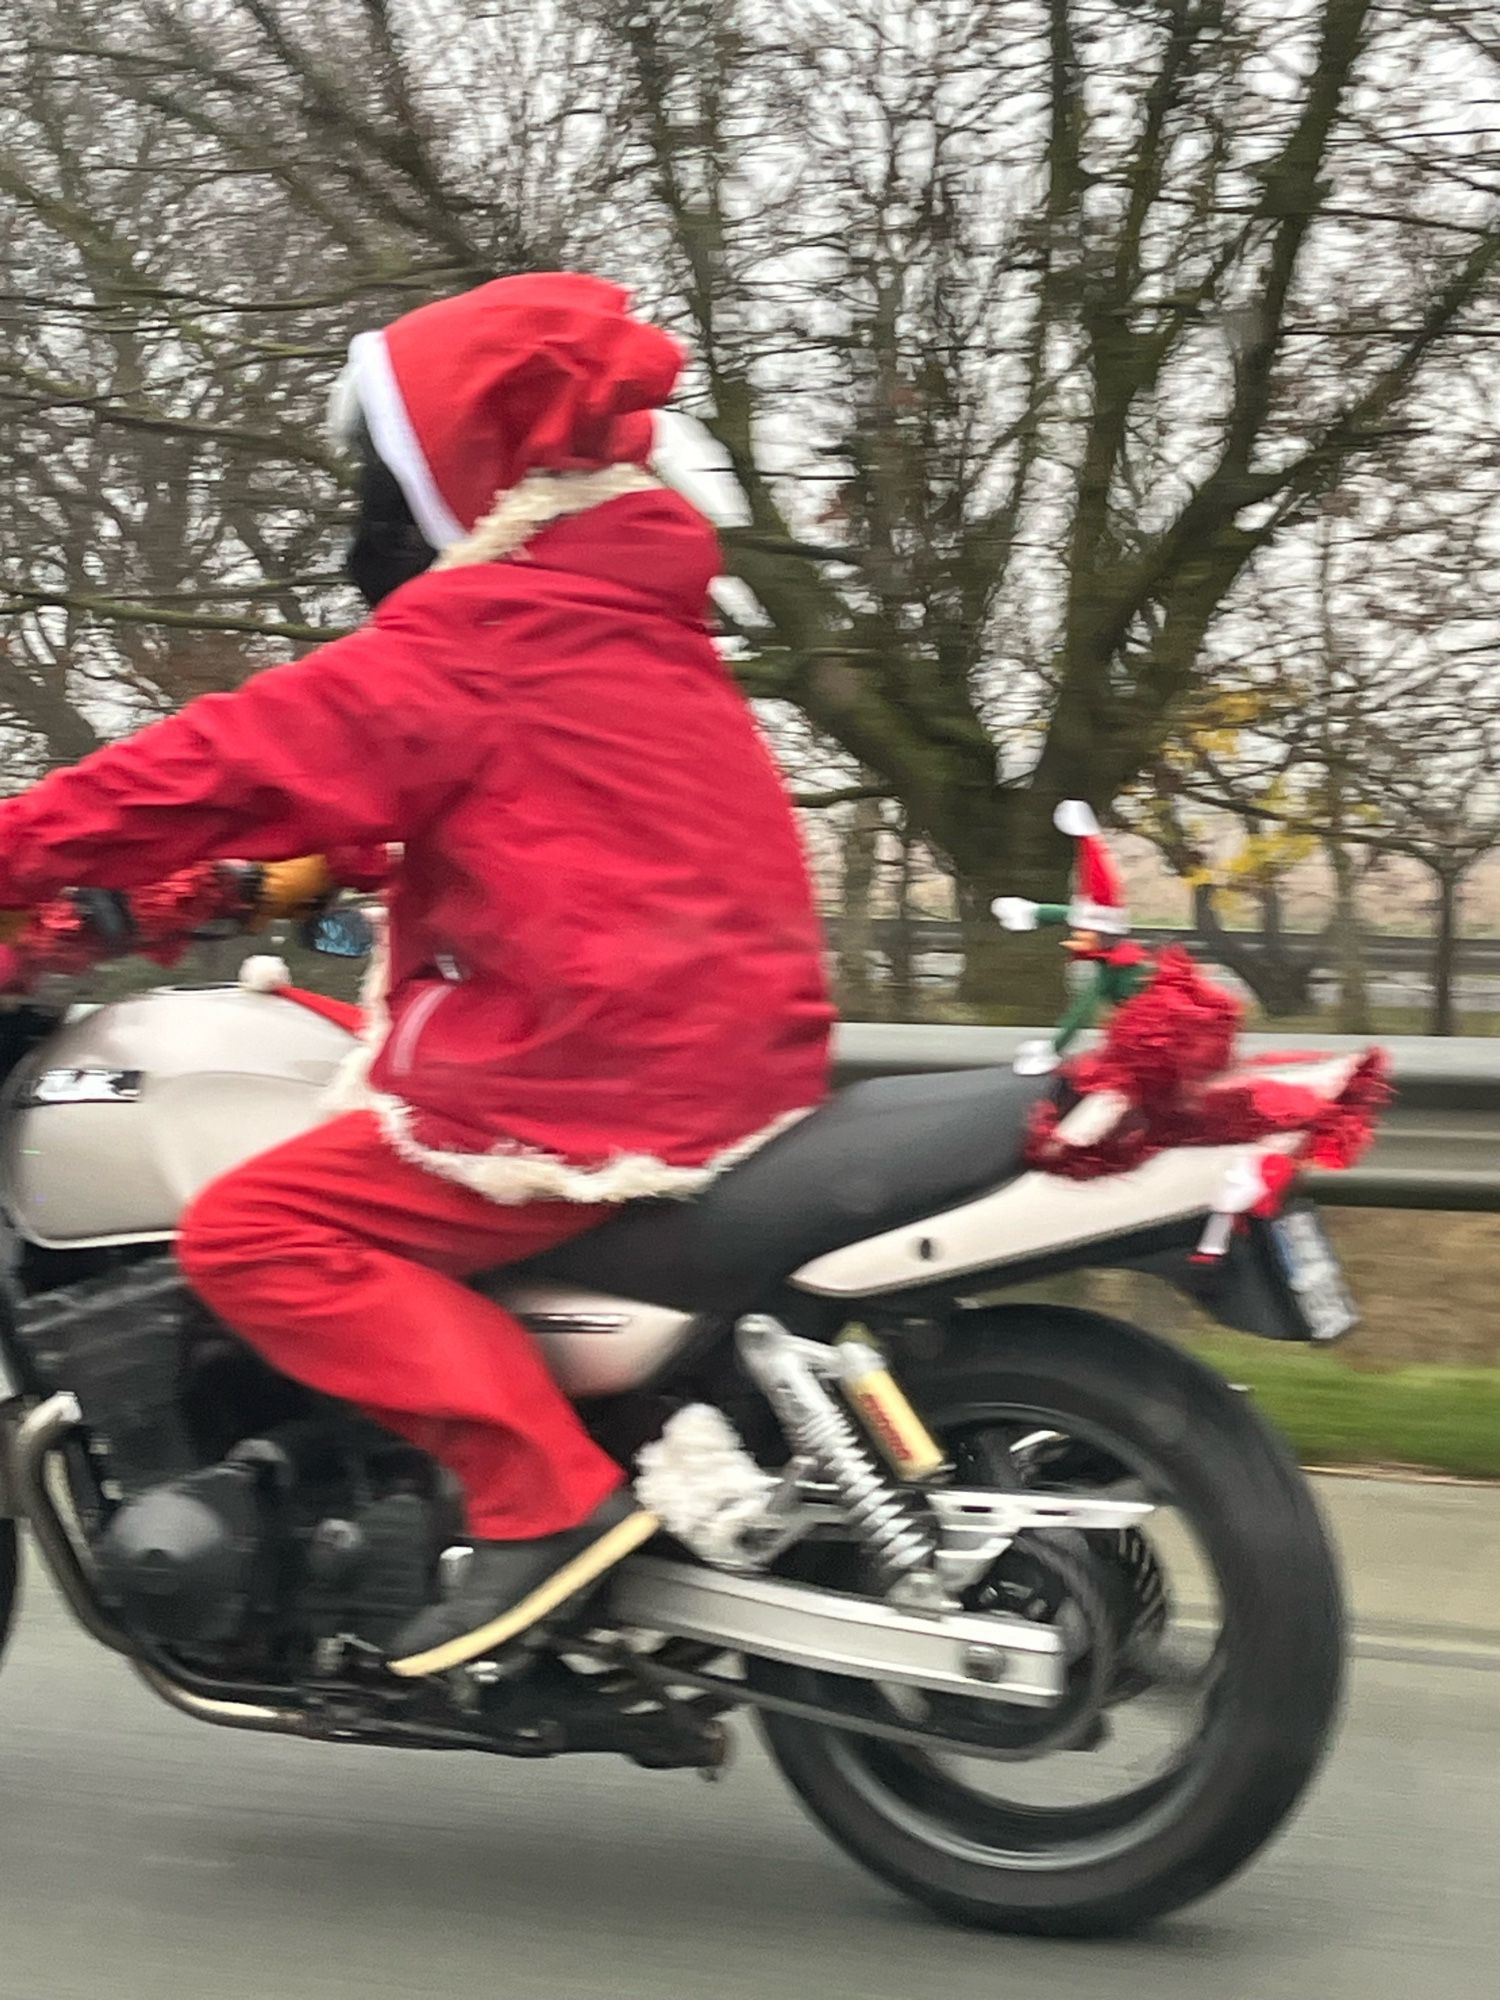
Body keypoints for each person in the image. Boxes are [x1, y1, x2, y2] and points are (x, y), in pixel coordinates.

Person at [0, 273, 833, 1676]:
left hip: (593, 1058)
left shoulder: (483, 638)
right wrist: (283, 876)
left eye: (384, 482)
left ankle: (538, 1497)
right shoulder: (620, 618)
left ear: (464, 467)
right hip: (715, 1033)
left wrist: (21, 844)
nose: (368, 525)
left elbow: (227, 760)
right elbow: (524, 818)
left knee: (255, 1232)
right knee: (306, 1076)